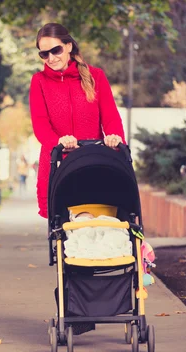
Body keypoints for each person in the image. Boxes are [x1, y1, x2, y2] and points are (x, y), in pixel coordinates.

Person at [29, 23, 127, 219]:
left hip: (94, 161)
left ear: (68, 47)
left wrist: (115, 137)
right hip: (58, 162)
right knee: (63, 225)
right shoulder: (39, 81)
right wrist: (58, 141)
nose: (51, 58)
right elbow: (40, 124)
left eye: (55, 50)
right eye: (44, 54)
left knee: (102, 214)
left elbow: (110, 116)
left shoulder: (95, 76)